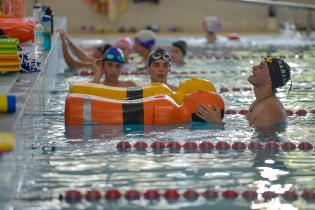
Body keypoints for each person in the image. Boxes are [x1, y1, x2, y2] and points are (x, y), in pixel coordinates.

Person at [196, 56, 291, 130]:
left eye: (261, 67)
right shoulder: (260, 102)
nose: (254, 67)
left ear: (270, 79)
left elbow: (261, 145)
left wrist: (217, 123)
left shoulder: (269, 111)